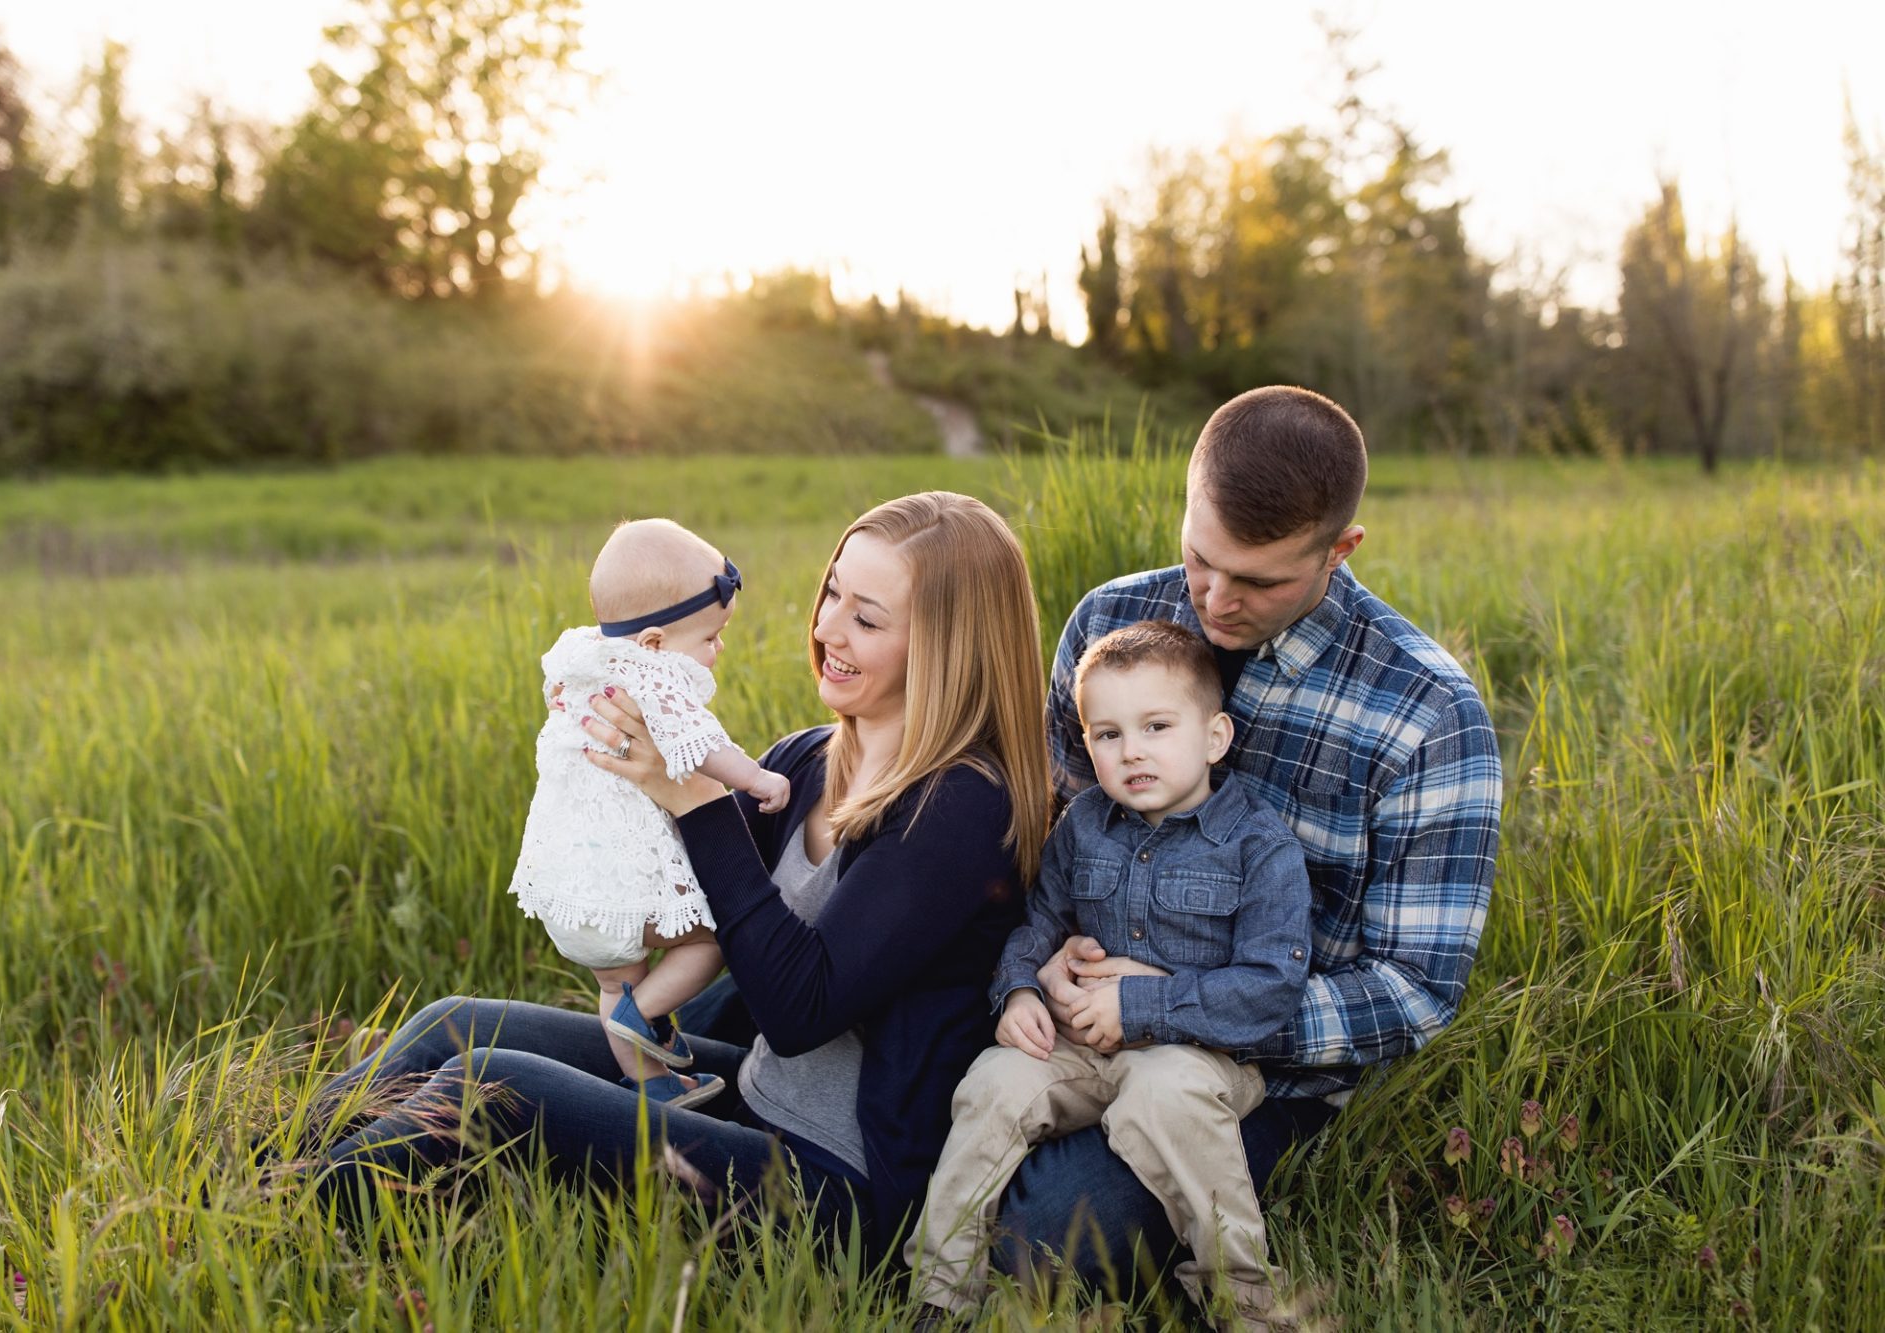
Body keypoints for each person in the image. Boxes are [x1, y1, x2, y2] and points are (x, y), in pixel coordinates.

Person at [295, 492, 1051, 1259]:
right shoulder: (806, 761)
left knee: (496, 1088)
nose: (826, 628)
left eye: (868, 617)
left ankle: (290, 1224)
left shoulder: (962, 807)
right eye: (831, 593)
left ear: (947, 647)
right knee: (454, 1024)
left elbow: (799, 1007)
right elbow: (695, 896)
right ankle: (266, 1172)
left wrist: (694, 794)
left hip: (838, 1191)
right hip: (755, 1100)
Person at [995, 385, 1503, 1292]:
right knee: (903, 1089)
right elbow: (1057, 830)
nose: (1216, 600)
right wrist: (1044, 968)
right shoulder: (1110, 621)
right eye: (1201, 558)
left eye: (1261, 580)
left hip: (1259, 1071)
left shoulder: (1427, 712)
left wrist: (1182, 1004)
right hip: (1076, 1020)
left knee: (1049, 1236)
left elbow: (1417, 989)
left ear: (1339, 550)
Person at [905, 620, 1312, 1323]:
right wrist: (1021, 988)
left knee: (1163, 1094)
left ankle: (1244, 1298)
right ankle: (939, 1292)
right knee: (994, 1082)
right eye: (1108, 734)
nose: (1133, 752)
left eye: (1156, 726)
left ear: (1214, 737)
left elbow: (1271, 984)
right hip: (1083, 1047)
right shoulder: (1085, 824)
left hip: (1201, 1057)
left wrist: (1145, 1004)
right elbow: (1039, 921)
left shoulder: (1258, 845)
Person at [507, 518, 789, 1108]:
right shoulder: (653, 677)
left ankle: (653, 1085)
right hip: (622, 896)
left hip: (570, 895)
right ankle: (645, 1016)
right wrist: (759, 778)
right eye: (711, 637)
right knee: (712, 937)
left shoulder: (583, 660)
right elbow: (705, 748)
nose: (718, 650)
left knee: (615, 982)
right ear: (656, 643)